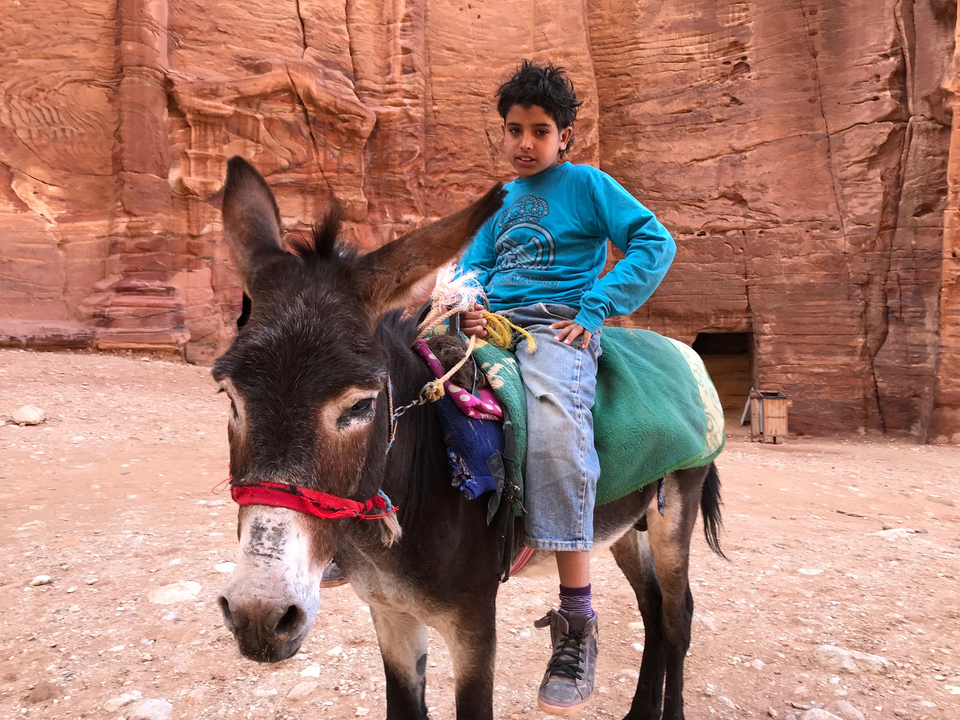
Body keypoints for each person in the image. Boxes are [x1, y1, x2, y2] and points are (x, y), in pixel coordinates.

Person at [457, 60, 676, 716]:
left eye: (540, 131)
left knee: (554, 430)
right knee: (409, 393)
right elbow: (475, 264)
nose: (526, 142)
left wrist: (597, 305)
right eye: (514, 130)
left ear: (566, 137)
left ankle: (577, 621)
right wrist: (466, 299)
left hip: (557, 332)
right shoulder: (498, 201)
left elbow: (651, 241)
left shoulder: (587, 186)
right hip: (492, 326)